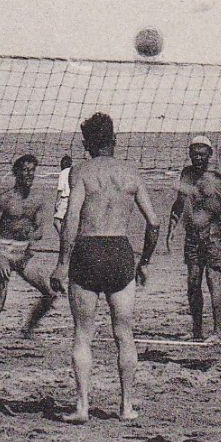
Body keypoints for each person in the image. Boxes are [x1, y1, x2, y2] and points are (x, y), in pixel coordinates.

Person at [50, 113, 160, 423]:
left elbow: (71, 219)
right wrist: (145, 261)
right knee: (124, 333)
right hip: (119, 252)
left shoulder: (81, 172)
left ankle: (83, 407)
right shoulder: (130, 173)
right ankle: (126, 407)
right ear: (114, 140)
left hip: (88, 249)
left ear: (86, 143)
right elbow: (154, 222)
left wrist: (62, 264)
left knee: (83, 334)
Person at [0, 154, 59, 355]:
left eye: (32, 170)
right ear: (16, 173)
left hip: (23, 254)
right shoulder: (4, 199)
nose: (29, 174)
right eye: (25, 170)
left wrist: (35, 234)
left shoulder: (37, 200)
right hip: (4, 252)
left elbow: (39, 230)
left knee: (51, 293)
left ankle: (28, 329)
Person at [165, 135, 221, 341]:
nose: (198, 158)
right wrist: (172, 227)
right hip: (193, 236)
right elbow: (179, 203)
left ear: (210, 155)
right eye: (195, 154)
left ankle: (219, 332)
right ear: (190, 155)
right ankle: (197, 331)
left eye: (202, 155)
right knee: (193, 283)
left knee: (214, 281)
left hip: (215, 235)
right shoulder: (186, 173)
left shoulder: (218, 176)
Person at [53, 154, 74, 233]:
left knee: (56, 221)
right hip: (73, 198)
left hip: (65, 199)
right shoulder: (74, 171)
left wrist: (57, 202)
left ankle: (63, 236)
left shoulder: (63, 172)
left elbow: (60, 189)